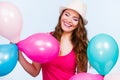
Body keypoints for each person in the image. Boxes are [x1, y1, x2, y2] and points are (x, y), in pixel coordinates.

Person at [18, 0, 88, 80]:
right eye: (67, 14)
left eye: (75, 19)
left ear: (79, 24)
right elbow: (34, 71)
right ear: (61, 15)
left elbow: (82, 78)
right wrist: (19, 56)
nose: (69, 20)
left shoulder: (80, 47)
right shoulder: (46, 39)